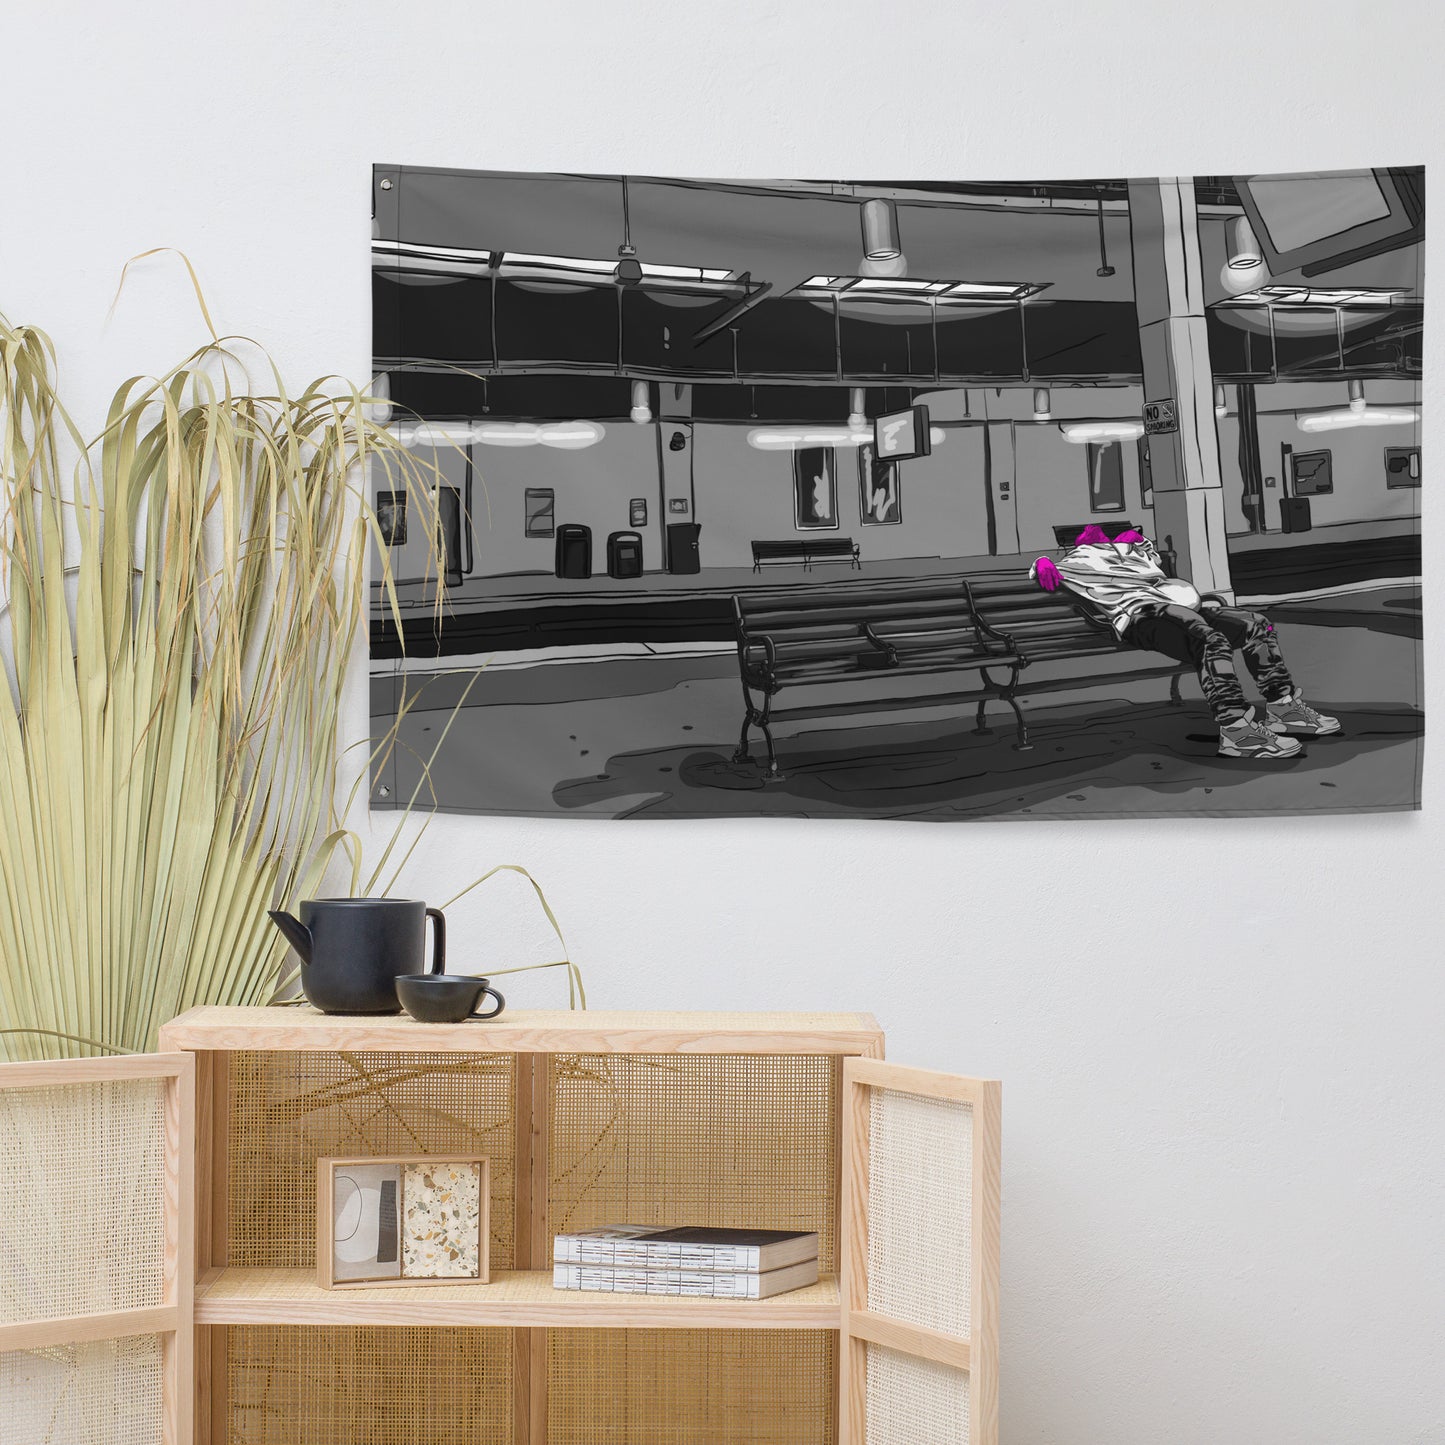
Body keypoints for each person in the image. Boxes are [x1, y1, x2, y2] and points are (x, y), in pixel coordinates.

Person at [1029, 525, 1339, 760]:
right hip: (1143, 617)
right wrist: (1043, 562)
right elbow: (1041, 567)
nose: (1118, 541)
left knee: (1254, 624)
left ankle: (1283, 708)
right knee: (1210, 640)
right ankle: (1236, 731)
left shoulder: (1136, 553)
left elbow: (1150, 556)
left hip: (1184, 608)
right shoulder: (1082, 558)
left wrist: (1136, 545)